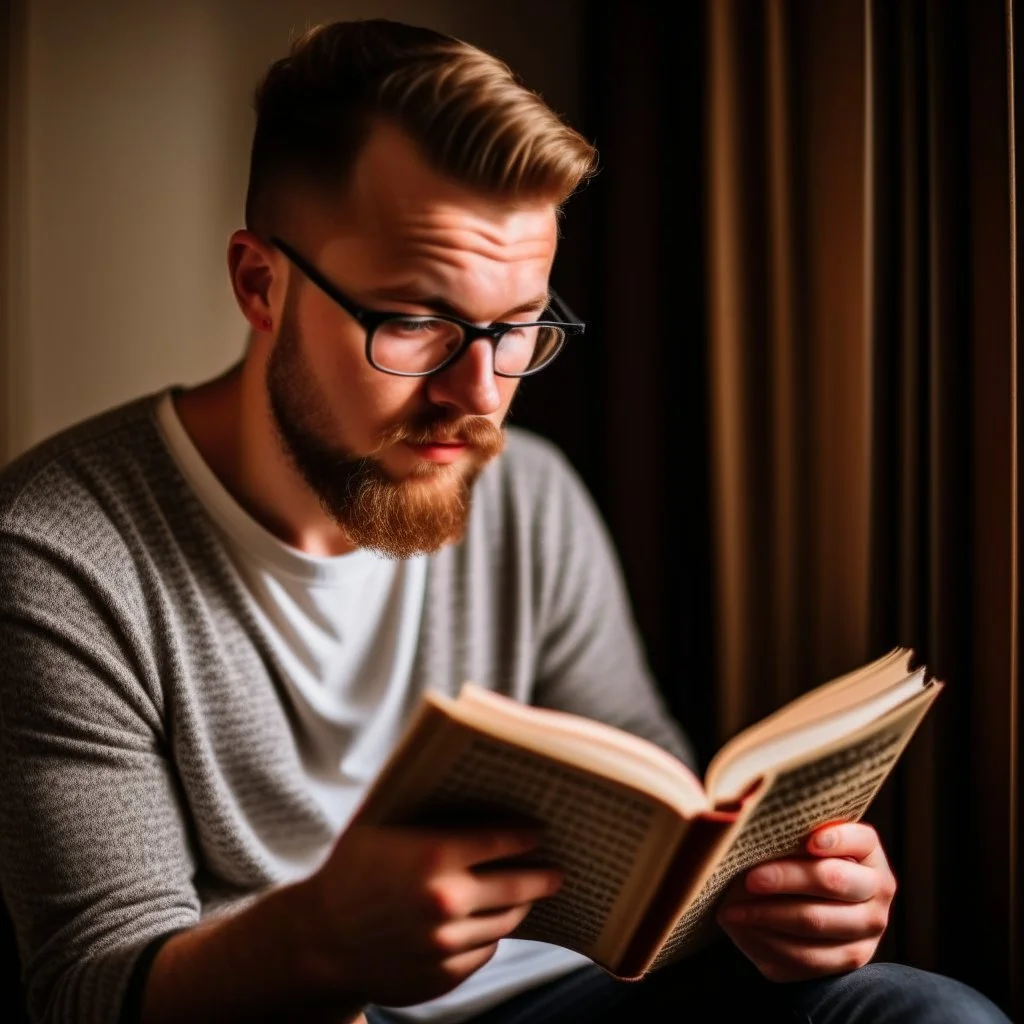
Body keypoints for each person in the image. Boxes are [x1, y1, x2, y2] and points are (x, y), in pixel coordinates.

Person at [0, 17, 1012, 1024]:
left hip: (556, 1000)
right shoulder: (60, 552)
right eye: (414, 321)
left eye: (519, 323)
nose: (479, 393)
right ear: (261, 285)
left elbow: (657, 842)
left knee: (916, 1011)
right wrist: (319, 938)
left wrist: (775, 904)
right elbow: (89, 989)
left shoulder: (528, 493)